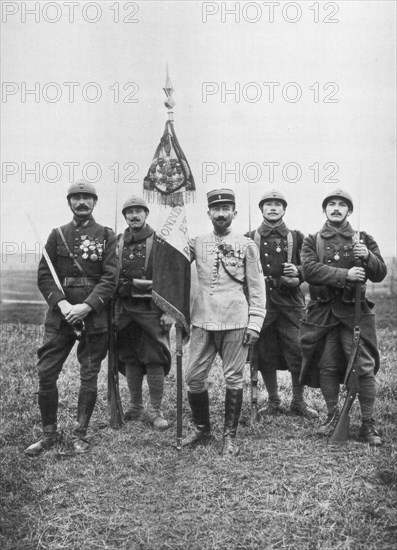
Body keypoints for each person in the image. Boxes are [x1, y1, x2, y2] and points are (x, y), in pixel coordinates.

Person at [25, 180, 118, 456]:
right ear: (69, 203)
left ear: (94, 202)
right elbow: (44, 275)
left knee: (89, 375)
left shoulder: (106, 235)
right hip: (60, 318)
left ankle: (81, 434)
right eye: (76, 198)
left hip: (94, 317)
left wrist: (87, 306)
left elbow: (110, 277)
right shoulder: (57, 235)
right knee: (46, 373)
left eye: (87, 198)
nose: (81, 202)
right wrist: (62, 303)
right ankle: (49, 433)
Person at [182, 188, 266, 457]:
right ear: (208, 213)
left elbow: (256, 288)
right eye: (216, 209)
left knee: (233, 378)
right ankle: (202, 428)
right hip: (203, 320)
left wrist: (255, 323)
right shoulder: (197, 242)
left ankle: (230, 436)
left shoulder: (247, 245)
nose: (221, 213)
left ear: (234, 213)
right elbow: (172, 258)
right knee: (193, 377)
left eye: (226, 208)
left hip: (235, 319)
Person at [300, 189, 387, 446]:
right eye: (331, 204)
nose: (336, 208)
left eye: (342, 205)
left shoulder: (363, 238)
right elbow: (310, 270)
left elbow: (380, 273)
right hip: (324, 312)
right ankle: (332, 417)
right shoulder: (312, 240)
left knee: (364, 368)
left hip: (355, 311)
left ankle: (368, 424)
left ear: (349, 211)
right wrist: (345, 275)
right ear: (324, 210)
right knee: (326, 364)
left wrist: (367, 257)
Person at [247, 189, 318, 418]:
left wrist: (297, 273)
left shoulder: (297, 237)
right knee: (264, 353)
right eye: (268, 204)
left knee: (298, 350)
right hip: (263, 305)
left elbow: (310, 265)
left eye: (278, 204)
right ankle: (274, 401)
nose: (273, 208)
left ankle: (298, 401)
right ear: (261, 209)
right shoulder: (249, 236)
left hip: (290, 304)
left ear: (284, 209)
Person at [115, 196, 173, 430]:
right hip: (124, 310)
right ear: (125, 216)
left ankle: (155, 410)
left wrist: (168, 311)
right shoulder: (117, 241)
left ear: (146, 214)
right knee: (129, 356)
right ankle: (135, 406)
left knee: (154, 357)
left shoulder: (160, 241)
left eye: (139, 211)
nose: (134, 215)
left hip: (151, 309)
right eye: (130, 212)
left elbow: (170, 279)